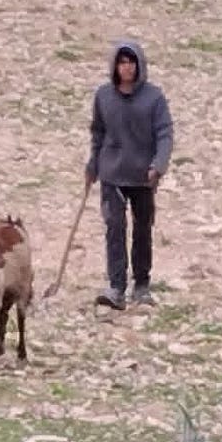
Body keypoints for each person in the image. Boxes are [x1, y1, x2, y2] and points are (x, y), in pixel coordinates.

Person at [84, 39, 174, 309]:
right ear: (115, 66)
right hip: (112, 173)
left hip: (143, 176)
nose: (127, 67)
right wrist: (92, 165)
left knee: (142, 230)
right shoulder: (103, 96)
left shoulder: (154, 98)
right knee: (114, 229)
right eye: (122, 62)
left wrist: (158, 165)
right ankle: (116, 286)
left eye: (131, 62)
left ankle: (142, 285)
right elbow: (98, 132)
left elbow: (165, 133)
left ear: (139, 65)